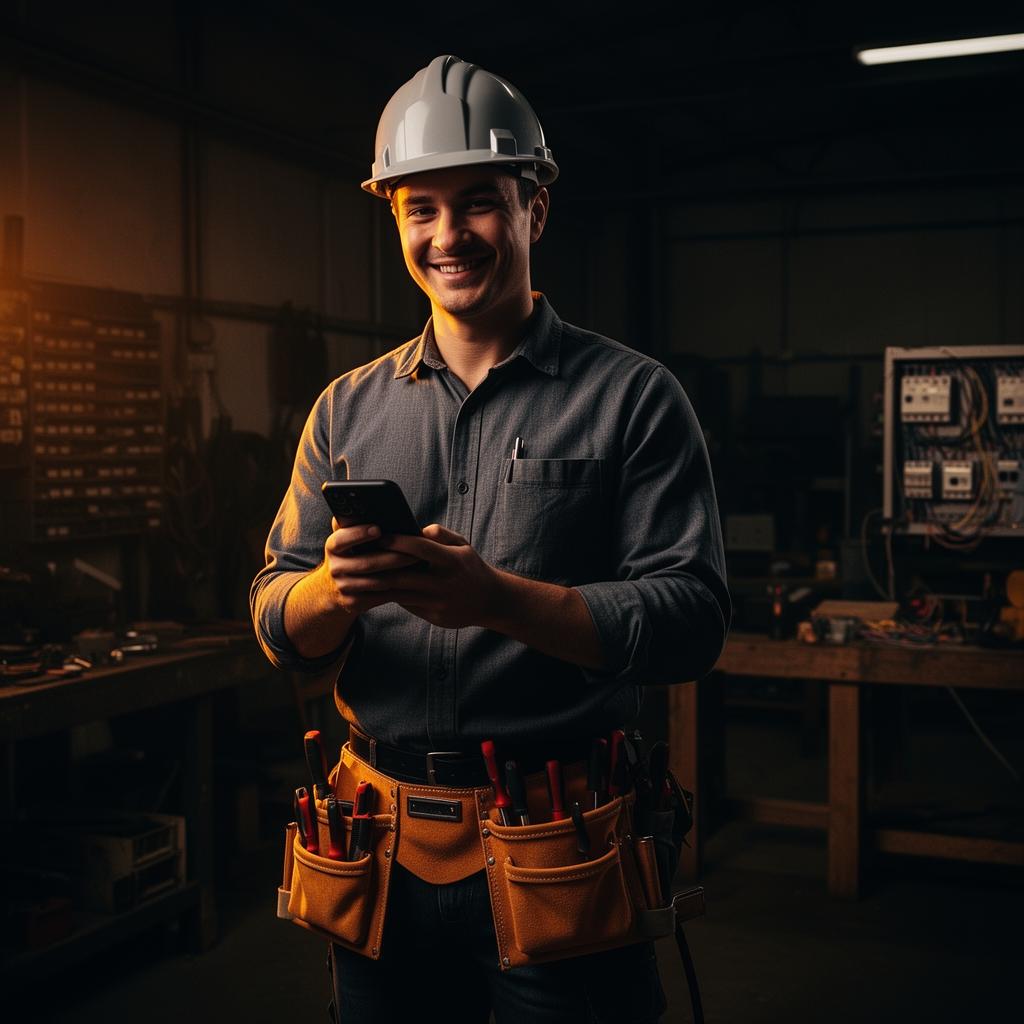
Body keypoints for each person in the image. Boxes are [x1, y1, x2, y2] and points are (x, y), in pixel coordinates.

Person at [251, 54, 729, 1024]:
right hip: (375, 850)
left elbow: (691, 619)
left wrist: (496, 600)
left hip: (559, 845)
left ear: (534, 208)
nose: (446, 234)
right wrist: (335, 592)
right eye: (418, 209)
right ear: (393, 217)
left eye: (476, 202)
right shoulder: (345, 407)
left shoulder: (633, 398)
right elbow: (271, 613)